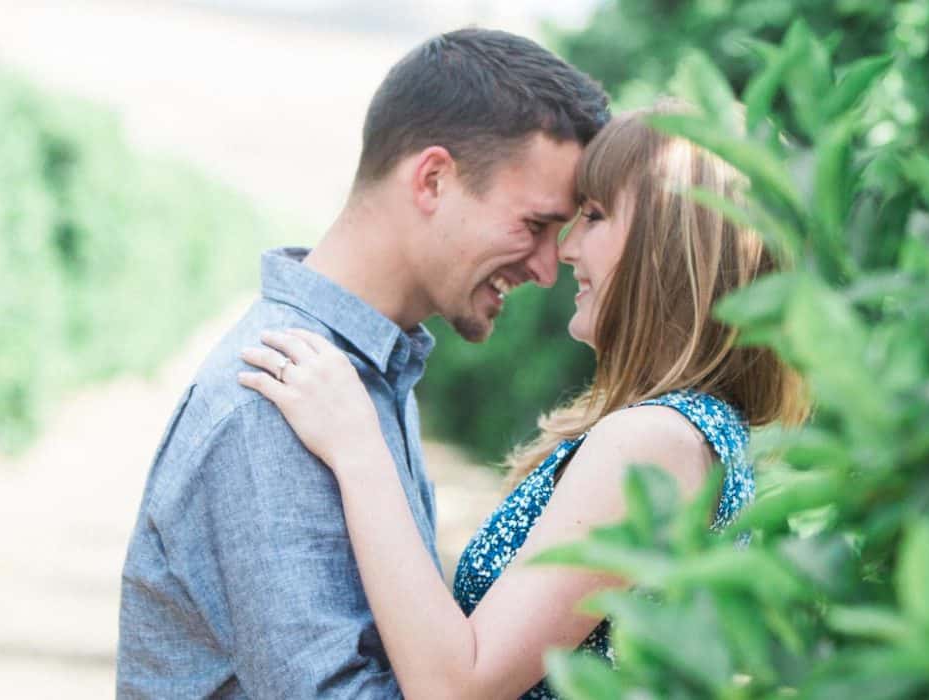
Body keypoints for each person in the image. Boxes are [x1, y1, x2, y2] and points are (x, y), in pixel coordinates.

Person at [236, 105, 811, 699]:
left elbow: (455, 689)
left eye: (594, 215)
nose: (565, 249)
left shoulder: (654, 441)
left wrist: (358, 447)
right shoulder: (705, 430)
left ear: (664, 243)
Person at [116, 29, 608, 698]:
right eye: (535, 225)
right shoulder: (273, 396)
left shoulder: (366, 382)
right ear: (433, 179)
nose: (549, 268)